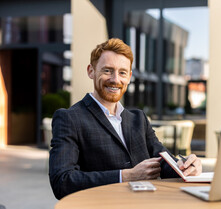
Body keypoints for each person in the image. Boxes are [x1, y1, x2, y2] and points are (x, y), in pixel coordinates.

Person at [49, 38, 202, 200]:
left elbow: (164, 163)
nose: (115, 79)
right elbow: (62, 182)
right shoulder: (70, 118)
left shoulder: (138, 119)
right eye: (107, 70)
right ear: (91, 71)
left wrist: (186, 166)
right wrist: (126, 176)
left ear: (129, 77)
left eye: (122, 72)